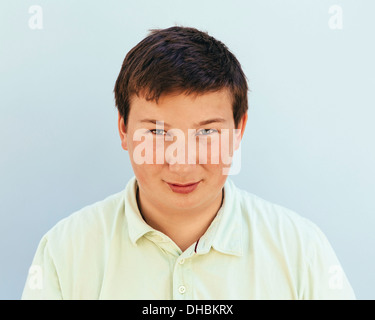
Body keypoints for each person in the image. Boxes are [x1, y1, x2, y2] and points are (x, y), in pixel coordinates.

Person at [22, 26, 355, 300]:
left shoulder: (301, 249)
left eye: (207, 131)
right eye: (157, 132)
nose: (181, 163)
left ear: (239, 131)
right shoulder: (64, 250)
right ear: (123, 129)